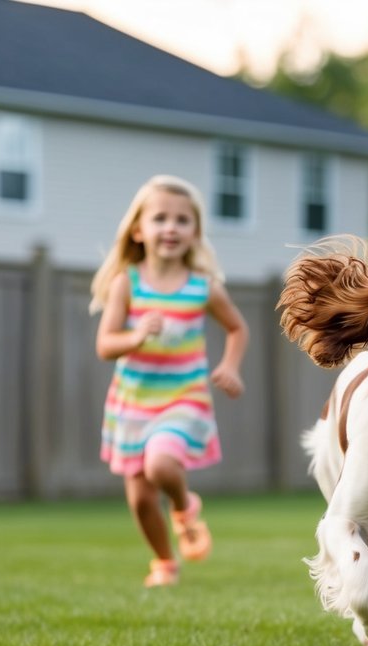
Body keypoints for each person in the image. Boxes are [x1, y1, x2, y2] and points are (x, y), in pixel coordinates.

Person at [91, 174, 248, 587]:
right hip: (134, 402)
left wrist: (230, 365)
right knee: (141, 499)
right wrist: (136, 336)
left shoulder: (202, 288)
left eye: (182, 220)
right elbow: (105, 344)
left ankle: (183, 506)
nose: (171, 228)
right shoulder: (127, 283)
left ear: (195, 232)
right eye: (160, 218)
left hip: (184, 399)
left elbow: (237, 328)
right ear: (138, 230)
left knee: (160, 463)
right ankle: (164, 563)